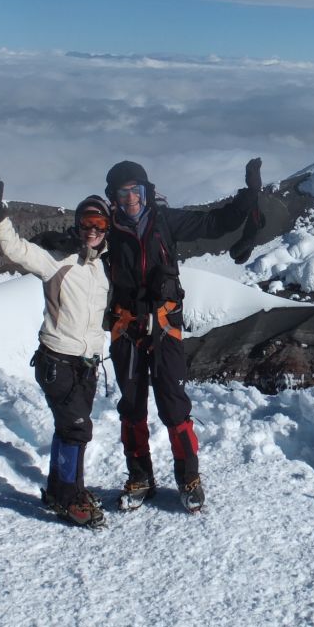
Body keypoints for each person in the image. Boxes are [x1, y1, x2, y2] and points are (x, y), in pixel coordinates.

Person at [105, 157, 264, 513]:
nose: (130, 198)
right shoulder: (107, 228)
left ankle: (188, 477)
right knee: (131, 407)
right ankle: (141, 477)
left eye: (135, 190)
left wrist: (250, 195)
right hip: (126, 328)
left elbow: (215, 222)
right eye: (122, 192)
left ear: (145, 191)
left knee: (173, 404)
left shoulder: (165, 221)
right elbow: (74, 242)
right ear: (113, 196)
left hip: (163, 327)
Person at [0, 168, 112, 529]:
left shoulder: (100, 268)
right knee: (77, 430)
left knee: (68, 430)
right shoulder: (58, 259)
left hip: (86, 364)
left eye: (99, 223)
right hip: (58, 362)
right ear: (78, 225)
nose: (93, 230)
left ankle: (60, 490)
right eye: (87, 222)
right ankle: (70, 499)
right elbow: (17, 250)